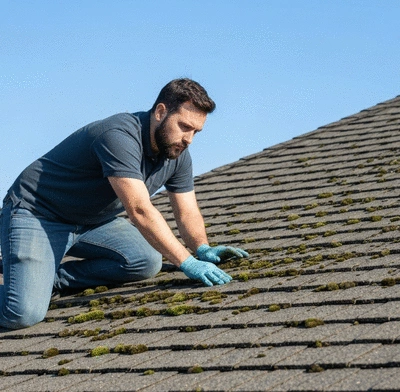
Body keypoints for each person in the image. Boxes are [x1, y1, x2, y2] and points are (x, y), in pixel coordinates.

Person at [0, 78, 248, 330]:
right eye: (184, 126)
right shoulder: (118, 136)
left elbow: (187, 211)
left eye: (196, 131)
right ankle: (26, 284)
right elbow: (139, 209)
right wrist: (187, 262)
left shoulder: (177, 156)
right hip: (38, 214)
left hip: (90, 222)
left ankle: (44, 279)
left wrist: (202, 248)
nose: (189, 139)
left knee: (146, 260)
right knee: (22, 313)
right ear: (161, 112)